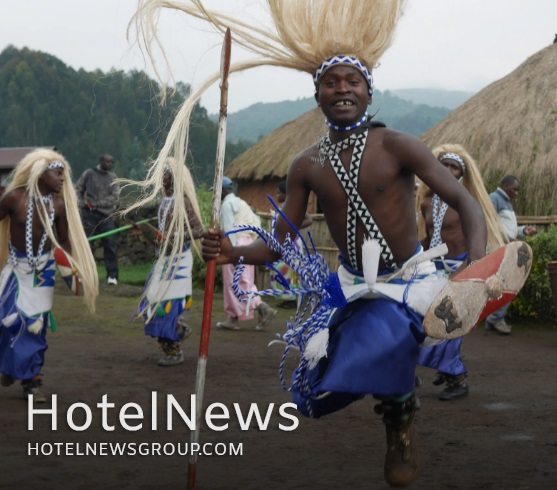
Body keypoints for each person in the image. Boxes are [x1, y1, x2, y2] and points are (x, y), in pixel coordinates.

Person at [130, 1, 487, 485]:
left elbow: (465, 203)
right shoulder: (307, 164)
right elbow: (280, 245)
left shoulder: (397, 145)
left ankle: (400, 422)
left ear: (368, 89)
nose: (342, 89)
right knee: (323, 381)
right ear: (316, 93)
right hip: (351, 286)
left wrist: (478, 268)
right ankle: (399, 405)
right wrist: (233, 252)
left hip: (407, 281)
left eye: (352, 81)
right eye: (331, 82)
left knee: (383, 337)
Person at [0, 149, 98, 402]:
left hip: (43, 273)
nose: (63, 179)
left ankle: (31, 382)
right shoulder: (14, 199)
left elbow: (63, 240)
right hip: (16, 270)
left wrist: (73, 268)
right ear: (41, 175)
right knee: (7, 321)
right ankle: (10, 365)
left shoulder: (58, 205)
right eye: (57, 174)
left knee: (35, 327)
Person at [416, 145, 505, 401]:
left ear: (461, 174)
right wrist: (411, 256)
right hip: (434, 268)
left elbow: (475, 241)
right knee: (426, 320)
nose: (448, 170)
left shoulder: (467, 203)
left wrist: (467, 272)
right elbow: (430, 238)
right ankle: (444, 370)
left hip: (461, 267)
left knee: (451, 323)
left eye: (454, 167)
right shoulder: (427, 203)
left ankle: (457, 377)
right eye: (444, 165)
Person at [139, 163, 203, 367]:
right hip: (164, 260)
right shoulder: (165, 202)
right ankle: (178, 329)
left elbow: (199, 230)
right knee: (149, 303)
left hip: (179, 261)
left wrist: (175, 236)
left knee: (165, 307)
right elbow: (162, 236)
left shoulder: (183, 201)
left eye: (164, 173)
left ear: (174, 177)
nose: (161, 177)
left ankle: (173, 349)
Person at [215, 176, 278, 331]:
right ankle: (238, 315)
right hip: (248, 243)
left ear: (223, 190)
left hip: (235, 244)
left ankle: (259, 308)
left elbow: (230, 229)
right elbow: (256, 223)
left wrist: (231, 251)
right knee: (245, 281)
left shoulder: (227, 205)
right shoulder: (243, 203)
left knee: (233, 282)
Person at [485, 175, 537, 334]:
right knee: (510, 283)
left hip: (505, 247)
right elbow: (489, 222)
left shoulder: (507, 203)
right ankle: (495, 318)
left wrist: (523, 231)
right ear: (505, 185)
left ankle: (493, 319)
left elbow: (508, 228)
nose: (517, 193)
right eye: (514, 189)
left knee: (504, 284)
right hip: (498, 248)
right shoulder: (494, 198)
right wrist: (508, 238)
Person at [76, 154, 120, 285]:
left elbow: (115, 197)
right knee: (86, 244)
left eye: (111, 162)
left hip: (106, 216)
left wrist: (99, 203)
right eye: (107, 161)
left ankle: (112, 276)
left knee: (110, 244)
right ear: (100, 161)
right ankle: (84, 274)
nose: (109, 164)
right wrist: (82, 203)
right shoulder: (89, 174)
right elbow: (78, 189)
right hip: (89, 214)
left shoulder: (113, 177)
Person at [270, 180, 312, 308]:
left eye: (279, 193)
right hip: (283, 242)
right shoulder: (282, 207)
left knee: (290, 270)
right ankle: (285, 298)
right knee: (281, 269)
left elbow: (309, 219)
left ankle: (291, 300)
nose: (277, 196)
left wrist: (293, 228)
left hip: (292, 243)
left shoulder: (292, 207)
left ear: (285, 194)